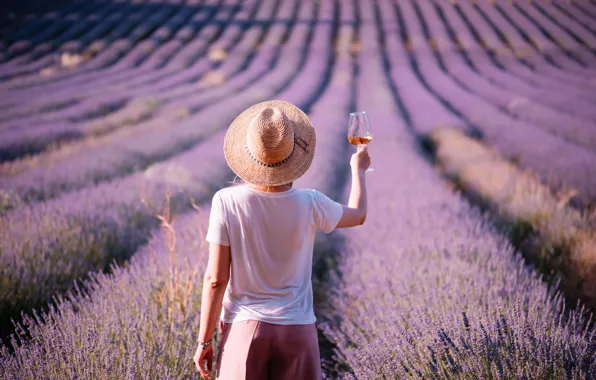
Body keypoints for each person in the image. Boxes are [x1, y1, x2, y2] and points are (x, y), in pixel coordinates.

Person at [193, 100, 371, 379]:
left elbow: (216, 279)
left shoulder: (226, 201)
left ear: (250, 155)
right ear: (292, 155)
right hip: (298, 329)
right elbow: (358, 215)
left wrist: (204, 342)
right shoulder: (310, 202)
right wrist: (358, 170)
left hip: (244, 329)